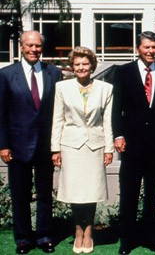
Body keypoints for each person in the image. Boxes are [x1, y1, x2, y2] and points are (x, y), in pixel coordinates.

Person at [112, 31, 155, 254]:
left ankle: (150, 237)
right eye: (146, 47)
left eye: (154, 47)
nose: (150, 51)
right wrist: (118, 135)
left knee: (152, 192)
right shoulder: (123, 72)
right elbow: (116, 107)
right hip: (131, 144)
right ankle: (127, 239)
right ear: (138, 48)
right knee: (128, 192)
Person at [0, 31, 61, 254]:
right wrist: (3, 145)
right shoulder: (6, 74)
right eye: (29, 46)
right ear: (21, 47)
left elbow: (58, 111)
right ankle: (23, 238)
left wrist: (57, 146)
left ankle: (44, 236)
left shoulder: (54, 73)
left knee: (45, 194)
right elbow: (1, 113)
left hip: (46, 146)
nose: (34, 49)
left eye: (37, 46)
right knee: (20, 194)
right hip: (17, 145)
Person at [50, 47, 113, 254]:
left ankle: (89, 232)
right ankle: (78, 230)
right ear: (72, 66)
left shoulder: (105, 88)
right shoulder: (62, 87)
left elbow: (107, 121)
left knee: (91, 192)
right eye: (77, 64)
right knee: (75, 192)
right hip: (71, 146)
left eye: (85, 64)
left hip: (95, 146)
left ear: (92, 66)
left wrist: (109, 148)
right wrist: (55, 148)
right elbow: (57, 119)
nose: (81, 68)